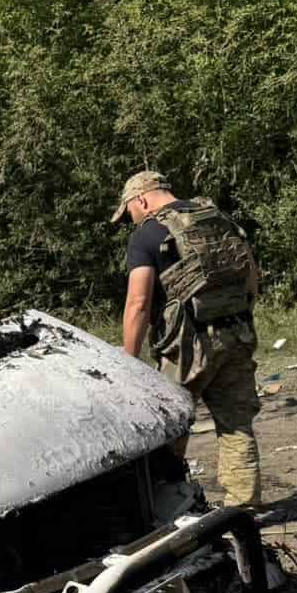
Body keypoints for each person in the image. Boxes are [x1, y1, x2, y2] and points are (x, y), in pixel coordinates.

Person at [114, 171, 262, 508]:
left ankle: (170, 508)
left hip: (186, 348)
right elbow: (251, 278)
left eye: (128, 214)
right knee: (236, 427)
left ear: (141, 199)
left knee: (170, 429)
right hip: (236, 334)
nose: (130, 222)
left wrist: (128, 359)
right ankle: (244, 509)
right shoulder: (218, 219)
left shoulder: (148, 235)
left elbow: (138, 303)